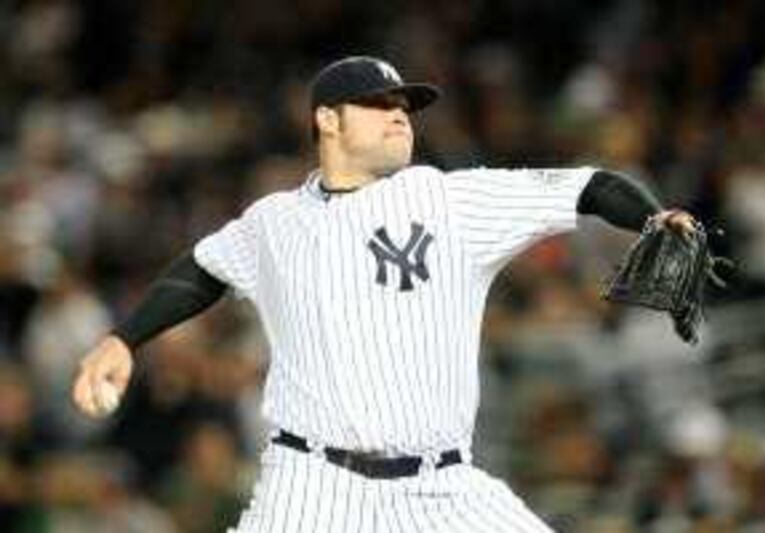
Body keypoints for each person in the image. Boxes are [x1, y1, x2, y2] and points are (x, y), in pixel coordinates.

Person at [72, 56, 696, 532]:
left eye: (405, 104)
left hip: (444, 487)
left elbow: (590, 186)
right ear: (327, 119)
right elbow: (201, 269)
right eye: (377, 103)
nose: (400, 113)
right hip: (311, 485)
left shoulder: (449, 199)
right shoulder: (275, 221)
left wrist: (653, 214)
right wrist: (124, 338)